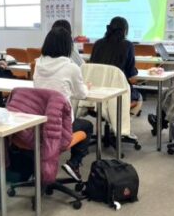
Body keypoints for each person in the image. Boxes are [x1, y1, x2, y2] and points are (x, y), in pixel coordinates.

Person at [33, 27, 93, 181]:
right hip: (60, 124)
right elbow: (82, 94)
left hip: (38, 122)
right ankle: (74, 163)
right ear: (68, 46)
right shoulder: (71, 67)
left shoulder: (38, 64)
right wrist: (86, 87)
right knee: (87, 126)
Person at [89, 16, 141, 103]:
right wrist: (136, 71)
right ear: (125, 30)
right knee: (139, 97)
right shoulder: (128, 45)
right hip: (118, 91)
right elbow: (130, 72)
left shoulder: (98, 43)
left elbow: (92, 65)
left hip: (97, 90)